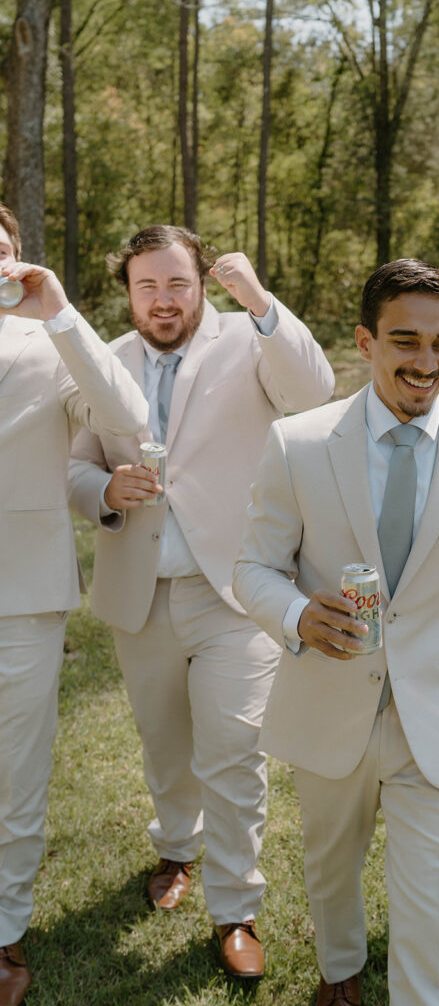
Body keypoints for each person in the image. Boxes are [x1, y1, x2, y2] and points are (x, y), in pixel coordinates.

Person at [233, 258, 439, 1006]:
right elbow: (252, 569)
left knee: (431, 913)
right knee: (330, 867)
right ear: (366, 342)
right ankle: (340, 975)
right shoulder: (299, 444)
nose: (427, 363)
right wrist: (297, 614)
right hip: (327, 703)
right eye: (407, 341)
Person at [67, 225, 334, 978]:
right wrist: (103, 492)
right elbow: (75, 468)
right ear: (127, 292)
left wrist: (257, 299)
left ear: (201, 284)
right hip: (138, 593)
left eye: (177, 284)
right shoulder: (103, 361)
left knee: (236, 749)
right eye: (146, 286)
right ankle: (175, 848)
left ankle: (236, 908)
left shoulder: (247, 340)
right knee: (165, 743)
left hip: (235, 592)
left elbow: (316, 390)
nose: (162, 300)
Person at [0, 203, 148, 1006]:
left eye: (3, 248)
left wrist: (59, 314)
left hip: (22, 596)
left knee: (16, 775)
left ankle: (5, 930)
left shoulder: (47, 344)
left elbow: (129, 417)